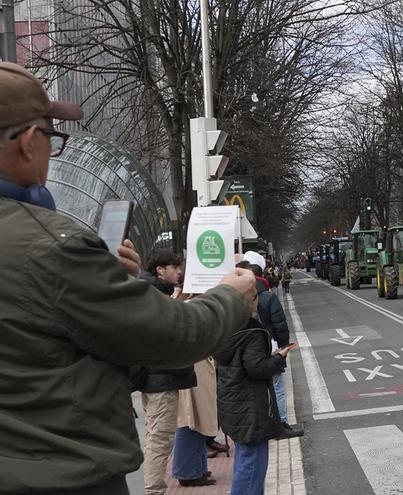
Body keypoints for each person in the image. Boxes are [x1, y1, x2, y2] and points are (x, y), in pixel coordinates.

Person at [0, 61, 257, 494]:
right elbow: (172, 335)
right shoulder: (52, 246)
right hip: (60, 478)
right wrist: (231, 295)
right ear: (28, 143)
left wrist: (105, 280)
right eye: (51, 137)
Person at [215, 293, 296, 495]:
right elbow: (257, 368)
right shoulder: (252, 332)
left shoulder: (222, 329)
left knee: (245, 459)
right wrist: (278, 357)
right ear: (250, 301)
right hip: (252, 406)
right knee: (252, 464)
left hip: (233, 402)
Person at [137, 249, 199, 495]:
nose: (179, 271)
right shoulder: (154, 295)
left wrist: (178, 301)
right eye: (174, 267)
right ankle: (154, 490)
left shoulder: (153, 293)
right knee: (160, 438)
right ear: (160, 270)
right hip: (160, 378)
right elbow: (163, 333)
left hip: (155, 377)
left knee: (156, 435)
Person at [244, 258, 303, 438]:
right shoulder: (268, 297)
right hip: (271, 347)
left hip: (249, 352)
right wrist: (284, 347)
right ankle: (281, 423)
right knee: (277, 386)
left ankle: (265, 423)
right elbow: (280, 325)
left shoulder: (239, 298)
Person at [173, 356, 218, 487]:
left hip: (197, 364)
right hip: (193, 366)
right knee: (190, 419)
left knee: (199, 419)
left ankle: (197, 469)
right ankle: (187, 472)